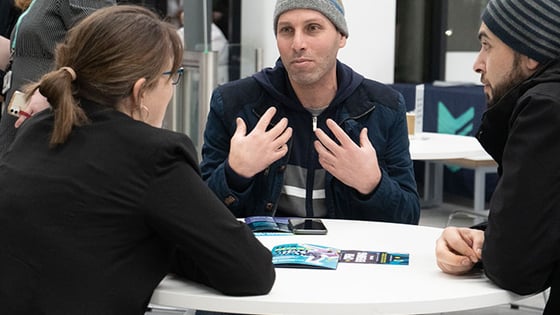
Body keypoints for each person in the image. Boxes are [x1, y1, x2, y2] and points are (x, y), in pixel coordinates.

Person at [0, 5, 275, 314]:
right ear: (140, 90)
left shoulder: (40, 128)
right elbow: (252, 271)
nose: (172, 89)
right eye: (172, 77)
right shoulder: (153, 154)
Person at [199, 0, 420, 224]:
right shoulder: (232, 103)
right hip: (259, 254)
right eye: (286, 30)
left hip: (349, 254)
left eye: (312, 28)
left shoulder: (384, 107)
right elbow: (200, 214)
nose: (298, 44)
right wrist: (235, 173)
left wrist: (372, 183)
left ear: (341, 36)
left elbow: (409, 219)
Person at [435, 0, 560, 313]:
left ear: (532, 53)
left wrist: (486, 248)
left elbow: (515, 267)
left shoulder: (546, 109)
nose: (478, 63)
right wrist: (483, 238)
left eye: (487, 46)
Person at [0, 0, 116, 156]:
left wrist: (49, 94)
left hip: (49, 122)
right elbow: (32, 54)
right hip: (25, 121)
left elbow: (102, 49)